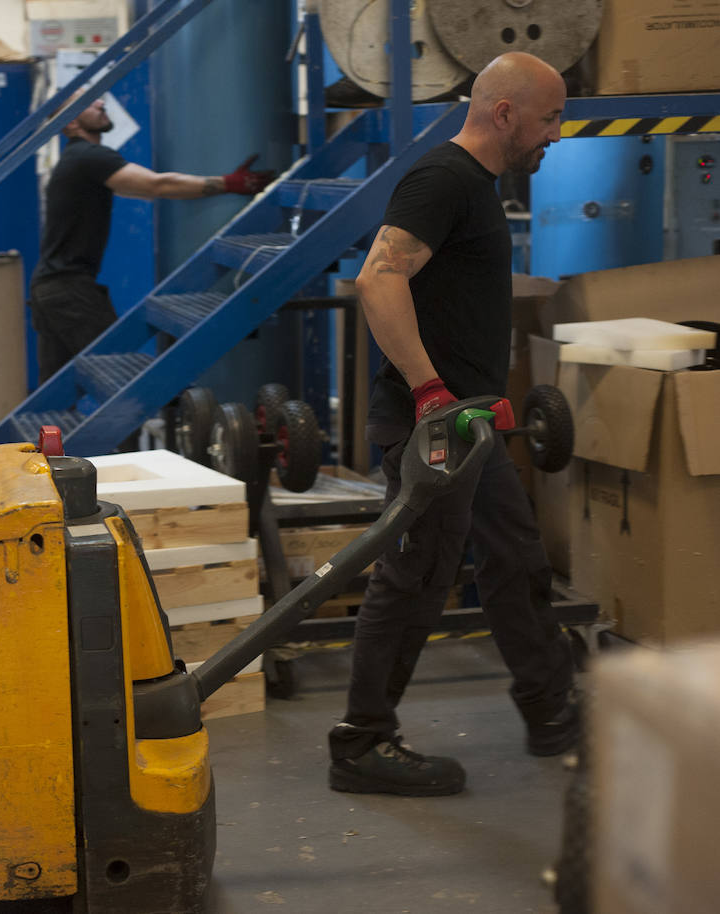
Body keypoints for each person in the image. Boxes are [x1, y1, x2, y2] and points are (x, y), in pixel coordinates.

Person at [328, 51, 578, 798]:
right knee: (416, 580)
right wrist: (431, 391)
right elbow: (379, 279)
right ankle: (361, 743)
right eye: (550, 118)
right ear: (505, 114)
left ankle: (551, 709)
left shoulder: (478, 186)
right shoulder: (443, 179)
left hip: (467, 423)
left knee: (516, 555)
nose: (555, 135)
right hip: (433, 425)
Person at [28, 95, 273, 383]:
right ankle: (124, 431)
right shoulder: (88, 156)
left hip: (49, 289)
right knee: (122, 379)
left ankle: (51, 432)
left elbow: (138, 189)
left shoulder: (79, 159)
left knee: (55, 393)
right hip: (69, 291)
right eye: (89, 102)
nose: (101, 104)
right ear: (70, 121)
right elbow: (158, 185)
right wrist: (229, 184)